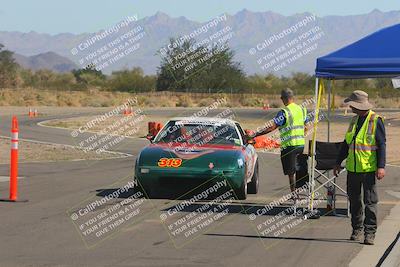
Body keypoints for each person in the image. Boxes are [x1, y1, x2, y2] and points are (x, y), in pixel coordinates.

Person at [333, 90, 386, 245]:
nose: (350, 108)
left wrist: (381, 166)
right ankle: (357, 229)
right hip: (353, 169)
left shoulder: (376, 120)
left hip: (369, 169)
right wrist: (338, 162)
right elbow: (346, 143)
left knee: (370, 202)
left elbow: (382, 145)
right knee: (354, 201)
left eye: (352, 105)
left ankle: (370, 233)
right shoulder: (354, 120)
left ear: (358, 105)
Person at [252, 88, 307, 200]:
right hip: (301, 144)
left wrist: (256, 134)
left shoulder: (284, 112)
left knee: (291, 171)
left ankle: (294, 194)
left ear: (285, 99)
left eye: (282, 98)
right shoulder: (302, 109)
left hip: (289, 145)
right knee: (298, 169)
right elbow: (306, 126)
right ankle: (299, 191)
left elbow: (272, 127)